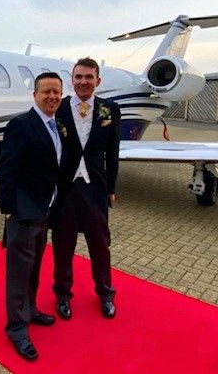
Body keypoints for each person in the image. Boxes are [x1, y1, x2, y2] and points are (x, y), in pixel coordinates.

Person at [0, 72, 64, 361]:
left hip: (44, 209)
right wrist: (10, 208)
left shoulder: (55, 125)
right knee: (18, 273)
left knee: (34, 266)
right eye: (46, 92)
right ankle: (17, 328)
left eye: (57, 93)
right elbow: (6, 169)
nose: (52, 97)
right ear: (35, 95)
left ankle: (31, 309)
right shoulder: (21, 125)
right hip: (24, 212)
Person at [52, 57, 121, 320]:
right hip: (65, 188)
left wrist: (111, 187)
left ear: (97, 81)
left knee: (100, 245)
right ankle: (62, 295)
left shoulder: (110, 109)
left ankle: (105, 294)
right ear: (72, 80)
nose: (83, 82)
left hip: (96, 188)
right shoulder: (59, 107)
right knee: (63, 245)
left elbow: (113, 152)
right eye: (78, 77)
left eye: (88, 77)